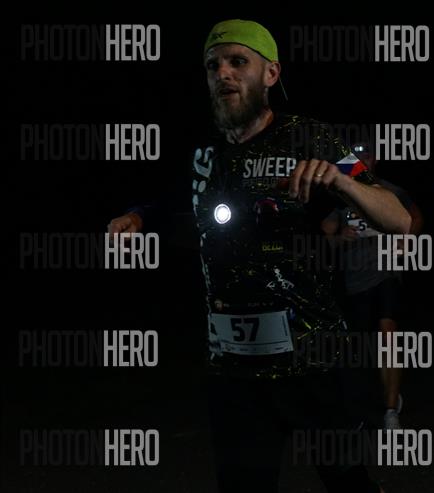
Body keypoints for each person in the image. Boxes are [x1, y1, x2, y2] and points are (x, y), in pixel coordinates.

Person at [107, 19, 409, 493]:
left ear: (270, 73)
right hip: (231, 369)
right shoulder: (203, 151)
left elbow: (400, 219)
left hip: (311, 362)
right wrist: (136, 217)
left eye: (237, 62)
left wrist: (342, 181)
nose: (223, 73)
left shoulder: (311, 137)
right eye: (213, 65)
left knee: (347, 481)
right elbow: (168, 202)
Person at [321, 143, 423, 430]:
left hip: (386, 274)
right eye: (357, 156)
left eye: (367, 155)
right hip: (355, 282)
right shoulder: (342, 192)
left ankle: (390, 412)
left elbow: (416, 217)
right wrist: (340, 237)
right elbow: (325, 233)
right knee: (360, 351)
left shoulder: (391, 190)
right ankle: (367, 405)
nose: (363, 160)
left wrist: (406, 241)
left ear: (375, 159)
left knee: (388, 335)